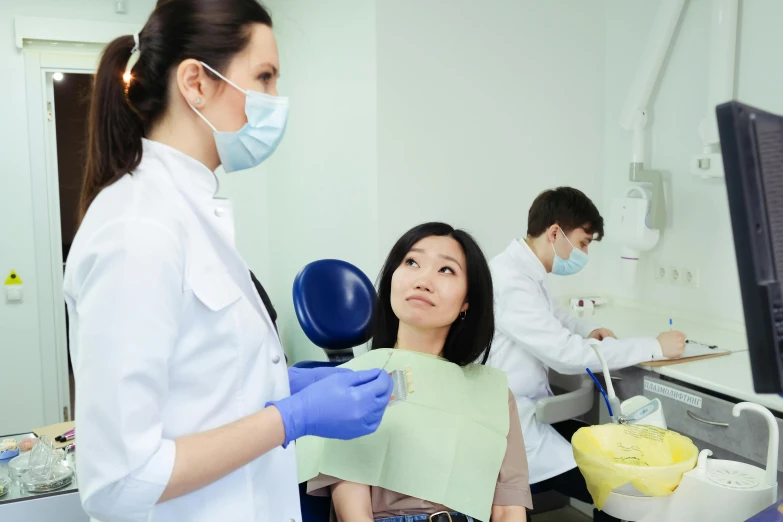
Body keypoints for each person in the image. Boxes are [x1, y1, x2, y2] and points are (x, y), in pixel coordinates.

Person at [63, 1, 392, 521]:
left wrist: (285, 385)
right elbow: (119, 479)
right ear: (196, 82)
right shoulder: (138, 229)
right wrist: (292, 418)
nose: (275, 100)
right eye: (263, 77)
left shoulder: (190, 212)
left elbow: (201, 387)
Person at [302, 223, 533, 522]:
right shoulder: (354, 381)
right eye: (412, 262)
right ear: (391, 281)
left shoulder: (493, 393)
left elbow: (507, 508)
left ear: (466, 302)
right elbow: (352, 507)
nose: (424, 280)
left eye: (446, 270)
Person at [487, 187, 686, 521]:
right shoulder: (510, 280)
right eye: (582, 243)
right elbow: (564, 354)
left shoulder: (526, 270)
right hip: (512, 429)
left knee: (610, 464)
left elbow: (555, 319)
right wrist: (655, 347)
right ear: (554, 233)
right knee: (617, 488)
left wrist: (589, 330)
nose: (584, 253)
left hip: (528, 414)